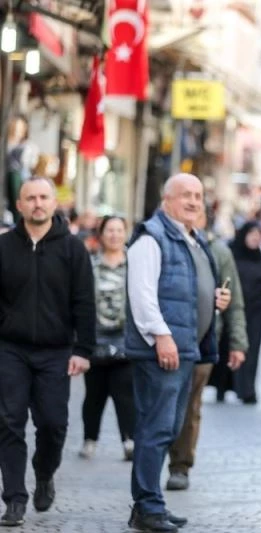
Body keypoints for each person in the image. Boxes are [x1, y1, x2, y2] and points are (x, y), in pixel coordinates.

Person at [124, 173, 231, 532]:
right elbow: (142, 296)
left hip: (186, 349)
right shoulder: (151, 238)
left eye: (198, 195)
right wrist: (161, 336)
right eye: (185, 194)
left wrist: (213, 300)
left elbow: (183, 291)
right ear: (166, 199)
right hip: (163, 350)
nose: (193, 201)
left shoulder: (191, 238)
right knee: (155, 428)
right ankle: (147, 507)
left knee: (169, 428)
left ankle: (151, 502)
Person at [0, 177, 95, 527]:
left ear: (54, 203)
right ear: (19, 205)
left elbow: (85, 302)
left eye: (43, 197)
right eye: (30, 198)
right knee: (8, 422)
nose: (37, 203)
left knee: (53, 424)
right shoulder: (4, 247)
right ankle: (14, 499)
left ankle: (43, 473)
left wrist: (83, 350)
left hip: (56, 351)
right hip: (10, 348)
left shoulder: (73, 249)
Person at [166, 209, 247, 491]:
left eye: (197, 211)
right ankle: (152, 457)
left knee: (190, 404)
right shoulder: (162, 244)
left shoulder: (219, 252)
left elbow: (234, 300)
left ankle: (180, 465)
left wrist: (238, 343)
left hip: (203, 340)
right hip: (164, 338)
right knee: (161, 402)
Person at [80, 215, 136, 462]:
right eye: (109, 230)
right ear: (101, 235)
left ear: (125, 233)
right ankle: (89, 439)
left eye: (119, 230)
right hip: (95, 339)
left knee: (125, 393)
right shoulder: (90, 265)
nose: (114, 235)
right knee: (94, 394)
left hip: (126, 339)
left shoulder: (135, 265)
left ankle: (129, 440)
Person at [227, 221, 261, 403]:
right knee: (230, 347)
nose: (255, 238)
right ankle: (226, 386)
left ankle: (247, 389)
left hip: (256, 311)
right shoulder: (232, 256)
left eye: (258, 234)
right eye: (252, 234)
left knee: (252, 351)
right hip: (233, 310)